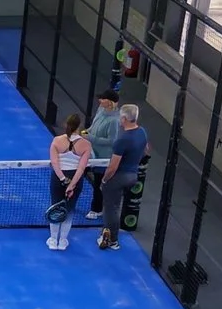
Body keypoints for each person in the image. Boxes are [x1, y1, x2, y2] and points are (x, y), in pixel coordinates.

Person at [92, 103, 151, 249]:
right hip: (133, 176)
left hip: (119, 177)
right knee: (115, 206)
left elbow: (113, 166)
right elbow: (146, 151)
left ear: (124, 118)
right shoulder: (142, 132)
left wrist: (104, 180)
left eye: (120, 117)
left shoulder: (122, 140)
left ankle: (112, 240)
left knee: (111, 208)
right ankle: (109, 235)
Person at [45, 114, 91, 251]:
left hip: (58, 178)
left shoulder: (56, 141)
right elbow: (81, 167)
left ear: (67, 125)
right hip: (75, 179)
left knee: (55, 207)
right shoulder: (86, 144)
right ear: (79, 127)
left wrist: (62, 179)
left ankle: (53, 240)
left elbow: (54, 163)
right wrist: (72, 184)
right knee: (69, 210)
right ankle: (62, 241)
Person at [82, 87, 123, 228]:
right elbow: (93, 125)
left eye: (103, 98)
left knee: (99, 183)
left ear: (110, 102)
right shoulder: (100, 109)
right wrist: (86, 132)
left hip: (103, 158)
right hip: (89, 151)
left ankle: (96, 209)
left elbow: (112, 141)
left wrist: (91, 137)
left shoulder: (114, 121)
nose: (100, 100)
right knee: (78, 172)